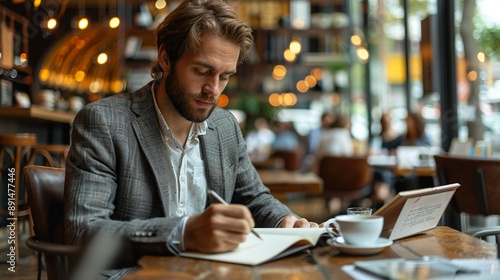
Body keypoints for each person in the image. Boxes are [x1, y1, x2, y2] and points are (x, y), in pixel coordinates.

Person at [64, 1, 318, 278]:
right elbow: (84, 230)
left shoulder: (224, 126)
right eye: (202, 71)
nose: (213, 89)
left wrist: (285, 221)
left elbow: (254, 198)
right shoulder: (104, 122)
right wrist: (183, 233)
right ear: (166, 58)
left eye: (225, 76)